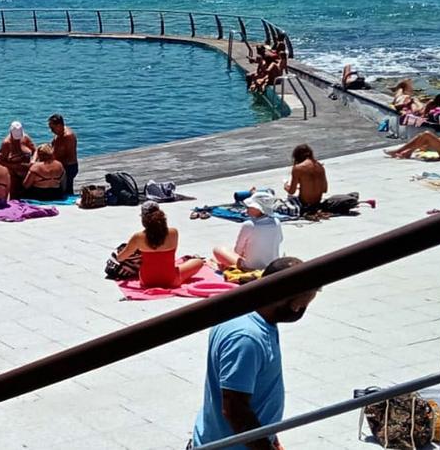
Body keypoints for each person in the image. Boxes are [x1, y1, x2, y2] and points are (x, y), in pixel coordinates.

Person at [192, 257, 318, 450]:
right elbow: (234, 409)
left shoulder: (252, 314)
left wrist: (270, 436)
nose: (299, 311)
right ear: (282, 297)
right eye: (299, 305)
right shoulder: (247, 338)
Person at [114, 203, 205, 289]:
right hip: (171, 280)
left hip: (146, 281)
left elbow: (120, 258)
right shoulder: (173, 232)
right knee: (198, 262)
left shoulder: (138, 237)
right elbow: (172, 254)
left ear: (143, 219)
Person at [283, 145, 375, 216]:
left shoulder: (298, 168)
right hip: (317, 203)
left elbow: (292, 191)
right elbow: (324, 189)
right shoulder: (320, 166)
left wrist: (286, 186)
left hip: (305, 204)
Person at [214, 193, 283, 272]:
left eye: (249, 207)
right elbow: (280, 239)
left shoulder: (249, 225)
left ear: (258, 209)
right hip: (272, 266)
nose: (246, 209)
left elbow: (238, 250)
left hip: (250, 268)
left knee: (218, 249)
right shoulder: (276, 222)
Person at [0, 121, 36, 197]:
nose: (17, 140)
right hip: (14, 173)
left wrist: (33, 160)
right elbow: (1, 161)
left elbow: (35, 150)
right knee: (14, 194)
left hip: (27, 171)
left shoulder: (25, 138)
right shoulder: (6, 143)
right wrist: (15, 166)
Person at [48, 114, 79, 195]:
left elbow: (65, 154)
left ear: (59, 125)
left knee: (66, 191)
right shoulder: (59, 133)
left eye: (52, 128)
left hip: (68, 167)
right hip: (62, 165)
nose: (51, 130)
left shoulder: (67, 136)